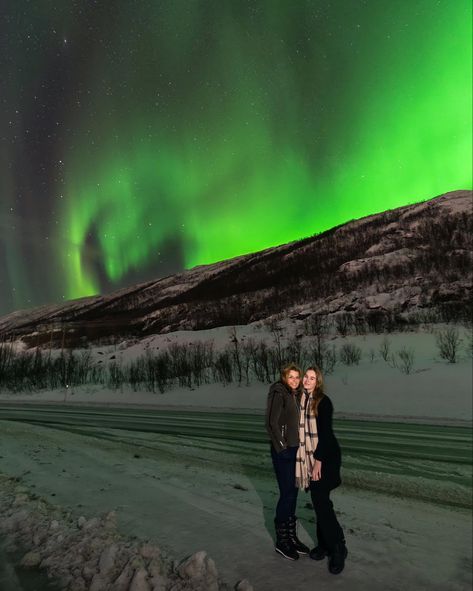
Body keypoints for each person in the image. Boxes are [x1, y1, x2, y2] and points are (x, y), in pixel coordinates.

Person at [296, 366, 348, 574]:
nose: (308, 380)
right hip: (311, 458)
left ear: (318, 382)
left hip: (325, 457)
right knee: (318, 502)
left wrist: (318, 461)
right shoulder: (301, 400)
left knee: (321, 502)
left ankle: (338, 547)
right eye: (306, 377)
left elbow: (325, 434)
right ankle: (325, 544)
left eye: (312, 378)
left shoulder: (323, 402)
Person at [265, 363, 310, 560]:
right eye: (290, 377)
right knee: (286, 494)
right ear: (284, 377)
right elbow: (270, 422)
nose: (294, 380)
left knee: (292, 493)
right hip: (282, 451)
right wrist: (281, 446)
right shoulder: (279, 392)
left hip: (294, 450)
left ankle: (291, 537)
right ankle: (282, 541)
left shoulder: (295, 394)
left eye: (296, 377)